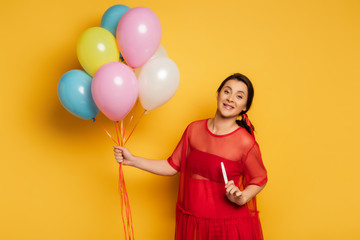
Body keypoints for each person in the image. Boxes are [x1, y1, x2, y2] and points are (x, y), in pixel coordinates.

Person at [113, 73, 268, 240]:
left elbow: (260, 178)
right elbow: (172, 166)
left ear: (245, 107)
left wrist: (242, 197)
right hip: (194, 225)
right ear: (218, 94)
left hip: (227, 227)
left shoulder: (245, 142)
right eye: (227, 91)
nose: (230, 99)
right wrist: (133, 160)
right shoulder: (194, 129)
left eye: (239, 96)